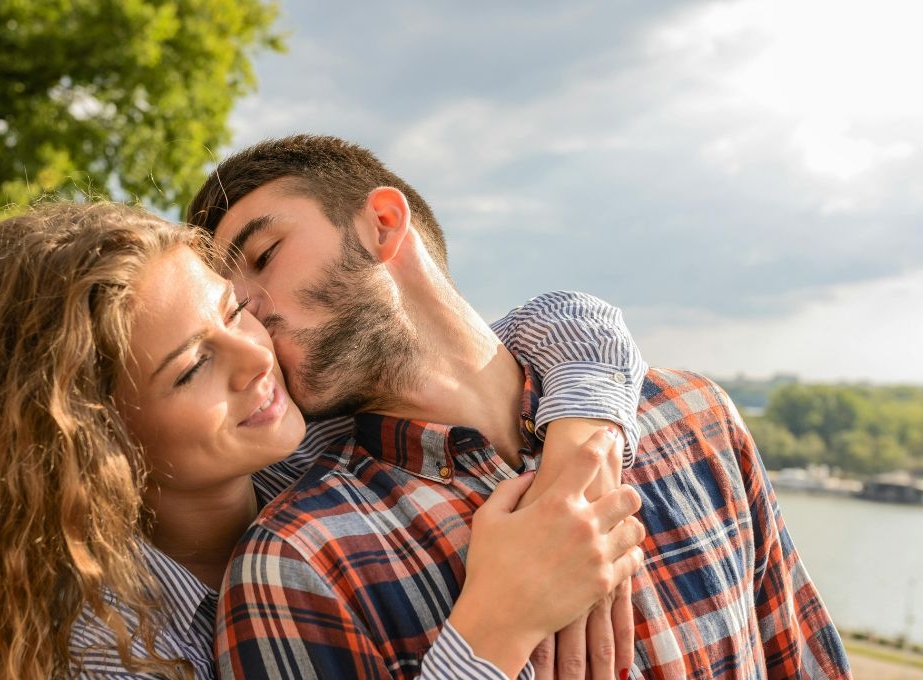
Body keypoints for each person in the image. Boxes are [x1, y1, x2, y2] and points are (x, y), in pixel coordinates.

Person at [0, 201, 649, 679]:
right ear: (92, 441)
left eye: (233, 314)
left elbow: (560, 325)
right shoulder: (98, 651)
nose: (258, 359)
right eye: (193, 366)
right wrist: (496, 626)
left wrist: (583, 448)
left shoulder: (304, 448)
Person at [186, 134, 853, 679]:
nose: (248, 313)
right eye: (228, 303)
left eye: (264, 255)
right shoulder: (298, 564)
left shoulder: (694, 419)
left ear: (383, 225)